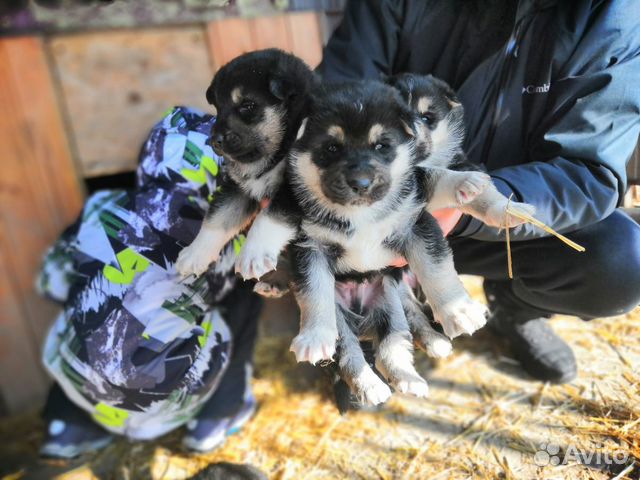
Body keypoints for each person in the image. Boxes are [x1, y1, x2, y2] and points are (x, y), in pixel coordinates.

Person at [318, 0, 640, 385]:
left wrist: (463, 205)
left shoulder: (612, 13)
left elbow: (585, 171)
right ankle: (369, 330)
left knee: (618, 262)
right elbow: (339, 93)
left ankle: (513, 309)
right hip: (382, 203)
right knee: (319, 207)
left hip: (494, 215)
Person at [37, 107, 261, 457]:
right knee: (246, 289)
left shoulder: (101, 204)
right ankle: (217, 415)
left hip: (79, 385)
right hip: (165, 400)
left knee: (84, 308)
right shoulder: (220, 238)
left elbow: (51, 284)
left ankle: (67, 429)